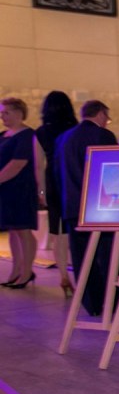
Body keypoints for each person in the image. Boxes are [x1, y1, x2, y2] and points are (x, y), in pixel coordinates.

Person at [56, 100, 117, 316]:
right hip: (100, 208)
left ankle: (91, 303)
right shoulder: (103, 135)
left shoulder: (63, 138)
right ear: (100, 113)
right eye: (107, 117)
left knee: (81, 257)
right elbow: (112, 172)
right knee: (107, 256)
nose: (106, 122)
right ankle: (113, 301)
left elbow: (57, 174)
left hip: (72, 206)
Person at [34, 91, 78, 296]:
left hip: (53, 181)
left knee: (57, 232)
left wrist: (41, 191)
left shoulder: (41, 132)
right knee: (75, 230)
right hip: (73, 180)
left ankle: (63, 275)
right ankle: (80, 273)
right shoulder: (75, 129)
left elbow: (38, 165)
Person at [0, 97, 39, 289]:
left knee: (23, 230)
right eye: (1, 113)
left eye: (6, 112)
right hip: (5, 189)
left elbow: (17, 164)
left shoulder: (27, 135)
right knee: (13, 231)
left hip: (21, 189)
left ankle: (26, 272)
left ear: (18, 113)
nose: (2, 116)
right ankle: (15, 269)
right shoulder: (3, 135)